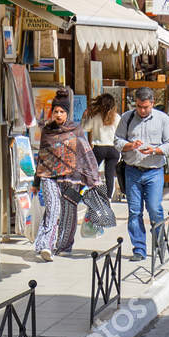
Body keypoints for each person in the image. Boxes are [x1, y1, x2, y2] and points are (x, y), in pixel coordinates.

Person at [34, 87, 100, 261]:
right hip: (48, 176)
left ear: (67, 113)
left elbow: (85, 153)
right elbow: (42, 156)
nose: (58, 115)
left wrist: (92, 179)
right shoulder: (47, 132)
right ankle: (46, 245)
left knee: (69, 211)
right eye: (56, 111)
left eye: (62, 112)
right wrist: (35, 182)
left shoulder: (75, 130)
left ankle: (63, 245)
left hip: (71, 177)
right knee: (53, 209)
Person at [115, 87, 169, 260]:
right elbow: (117, 141)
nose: (142, 111)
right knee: (134, 211)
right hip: (132, 170)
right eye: (139, 107)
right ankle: (139, 249)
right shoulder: (127, 118)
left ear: (152, 103)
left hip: (154, 171)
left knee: (154, 208)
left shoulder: (163, 119)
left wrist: (155, 150)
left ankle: (159, 243)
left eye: (146, 107)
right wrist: (130, 145)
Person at [85, 93, 121, 201]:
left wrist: (85, 117)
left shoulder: (95, 116)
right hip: (113, 149)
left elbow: (85, 128)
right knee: (110, 174)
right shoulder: (116, 117)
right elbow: (120, 132)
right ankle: (108, 198)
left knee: (91, 171)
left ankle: (90, 193)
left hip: (99, 147)